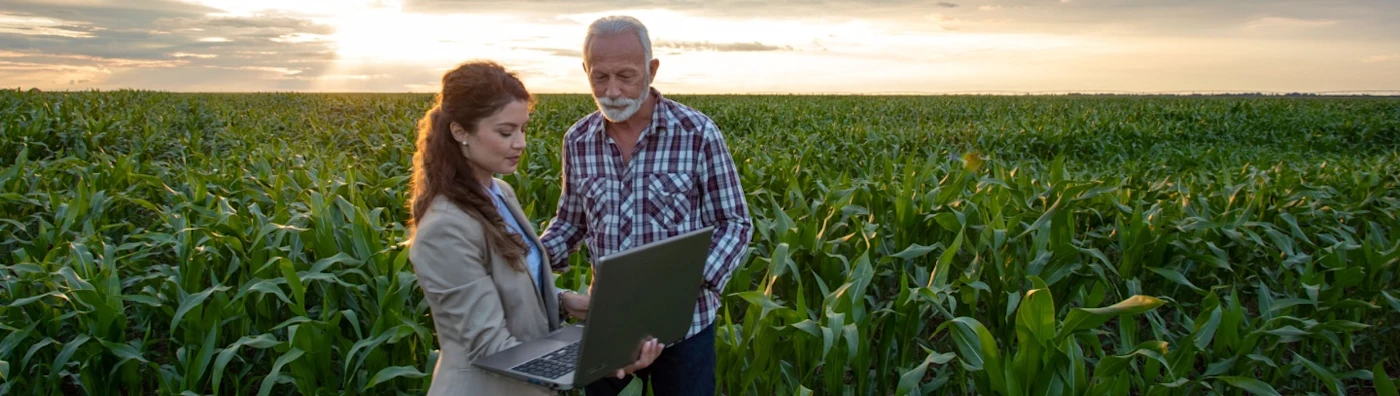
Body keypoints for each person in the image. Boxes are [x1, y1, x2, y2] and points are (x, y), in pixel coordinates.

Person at [406, 60, 663, 396]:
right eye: (505, 132)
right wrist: (604, 361)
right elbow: (491, 345)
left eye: (523, 129)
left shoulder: (501, 194)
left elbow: (508, 288)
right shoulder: (446, 228)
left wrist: (565, 302)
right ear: (460, 132)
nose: (520, 143)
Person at [538, 16, 754, 396]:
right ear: (585, 70)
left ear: (652, 71)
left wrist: (680, 285)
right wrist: (528, 257)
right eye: (599, 77)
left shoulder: (696, 133)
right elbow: (571, 223)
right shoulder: (578, 140)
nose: (613, 91)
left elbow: (734, 222)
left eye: (626, 75)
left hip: (684, 326)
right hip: (609, 326)